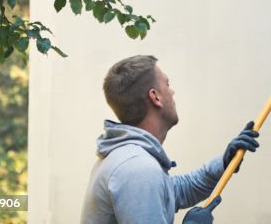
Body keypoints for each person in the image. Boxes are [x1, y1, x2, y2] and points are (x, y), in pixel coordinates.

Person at [81, 55, 260, 223]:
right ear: (155, 96)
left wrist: (224, 162)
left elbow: (177, 191)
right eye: (167, 84)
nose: (172, 92)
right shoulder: (137, 169)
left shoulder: (129, 160)